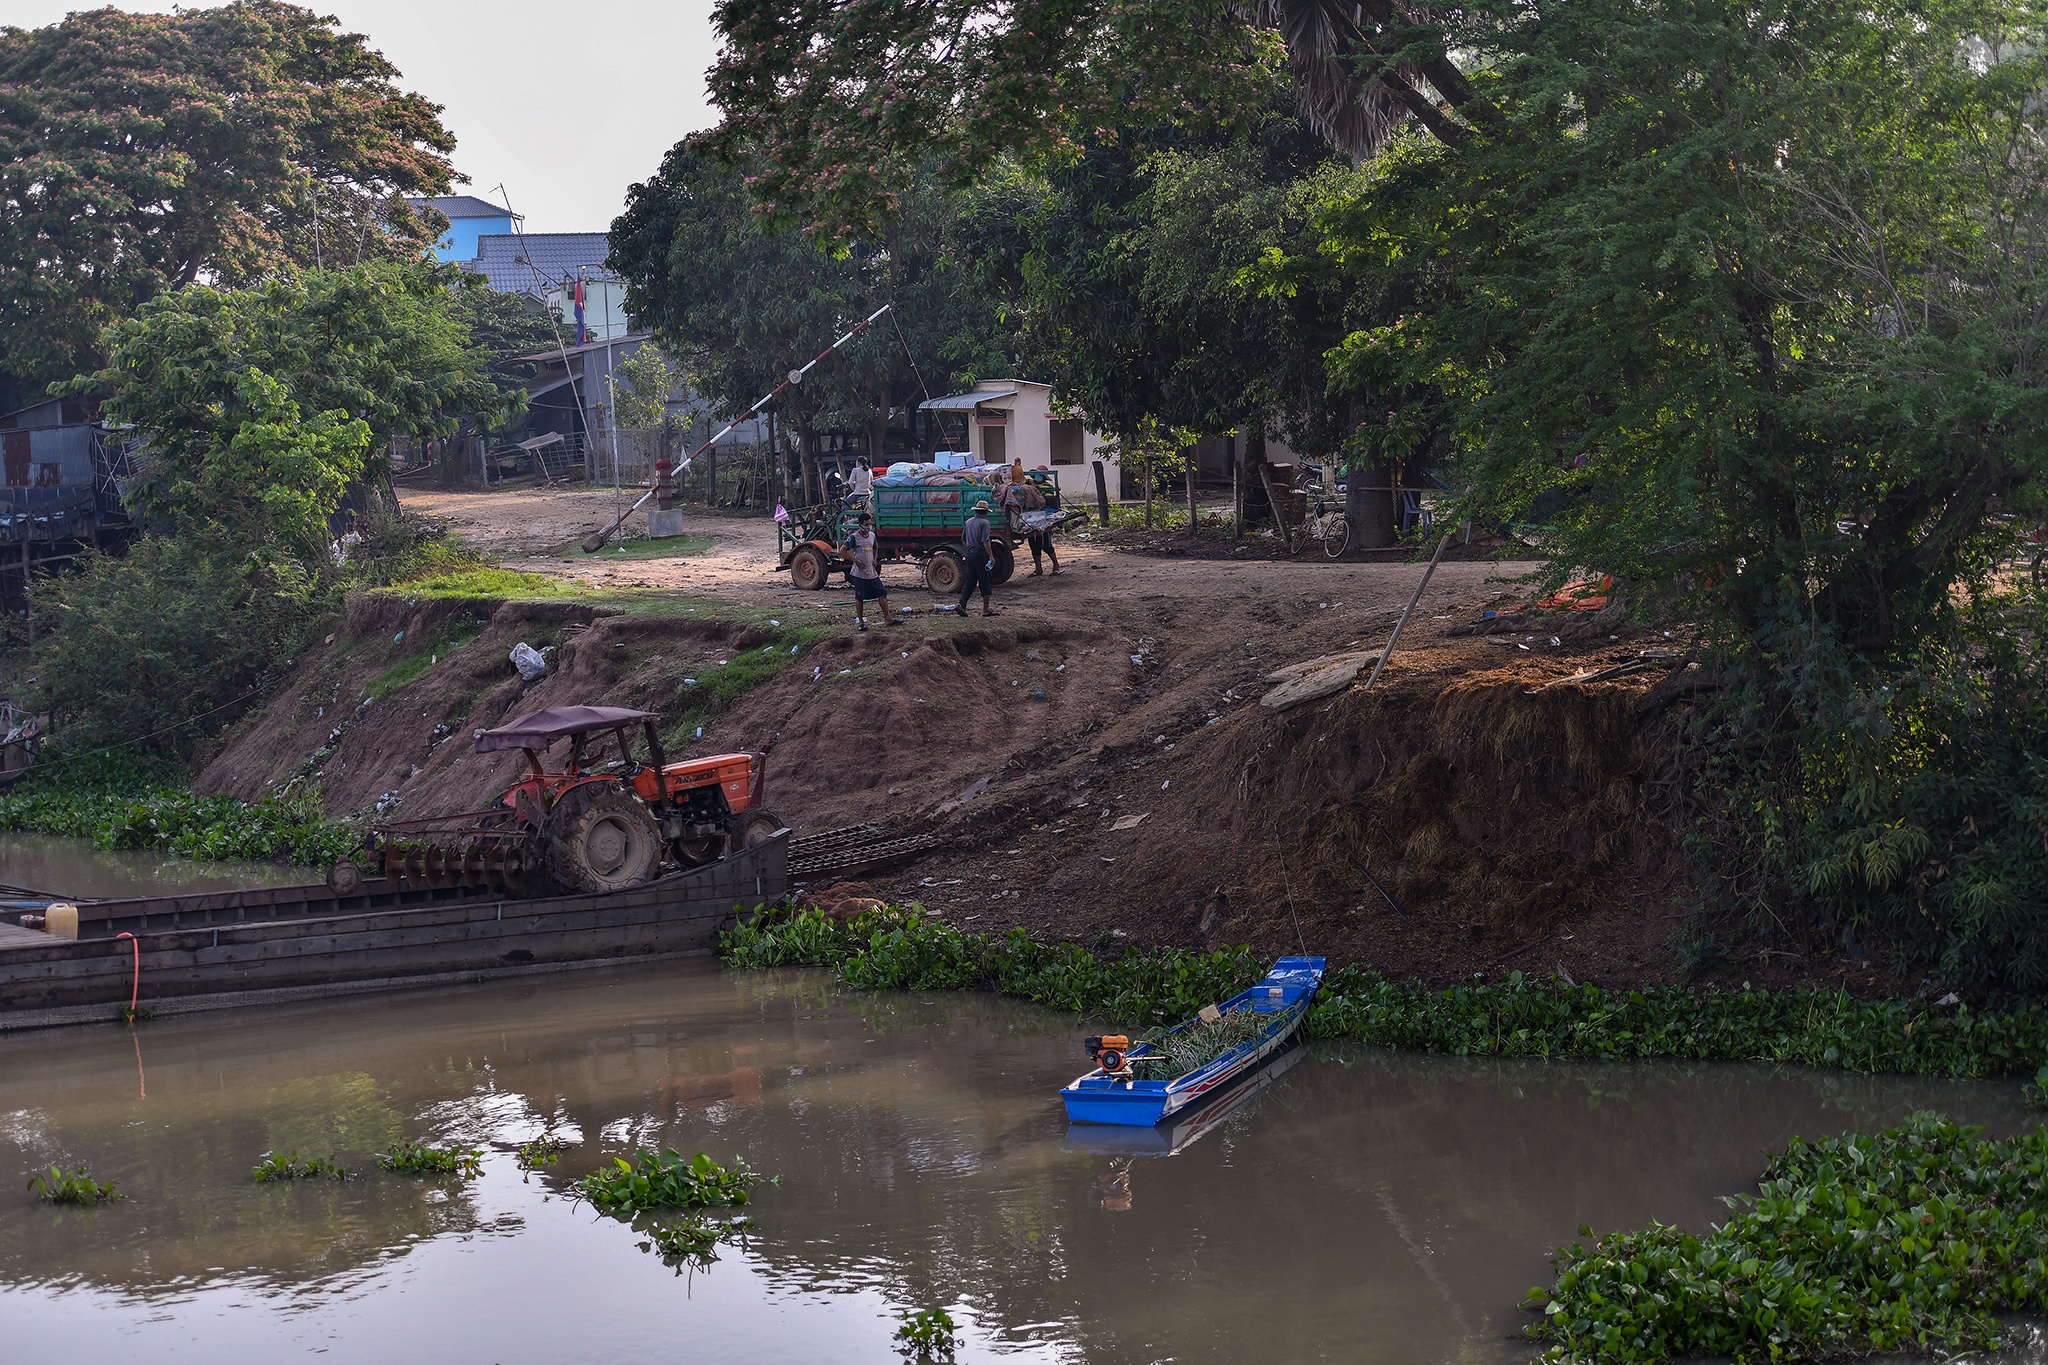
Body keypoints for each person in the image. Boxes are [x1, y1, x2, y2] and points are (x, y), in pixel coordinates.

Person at [842, 512, 894, 630]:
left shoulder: (872, 536)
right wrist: (855, 560)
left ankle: (888, 618)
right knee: (860, 598)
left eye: (870, 524)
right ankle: (861, 622)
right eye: (866, 524)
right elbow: (842, 550)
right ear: (860, 524)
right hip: (859, 573)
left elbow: (875, 547)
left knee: (882, 593)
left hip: (871, 572)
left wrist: (874, 559)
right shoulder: (854, 537)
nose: (868, 526)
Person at [958, 500, 998, 616]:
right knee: (985, 581)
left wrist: (969, 550)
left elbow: (963, 540)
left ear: (976, 511)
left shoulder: (968, 522)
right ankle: (986, 610)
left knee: (970, 581)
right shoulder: (985, 523)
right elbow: (985, 540)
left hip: (970, 554)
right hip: (980, 554)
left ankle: (962, 604)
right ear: (985, 512)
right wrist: (991, 556)